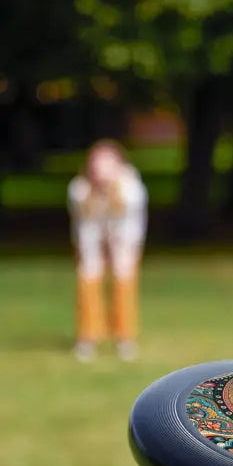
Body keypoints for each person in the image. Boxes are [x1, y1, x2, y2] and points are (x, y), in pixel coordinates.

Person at [67, 139, 148, 362]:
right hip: (91, 237)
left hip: (124, 237)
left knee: (124, 279)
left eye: (106, 163)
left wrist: (111, 191)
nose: (100, 169)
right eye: (96, 163)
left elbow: (127, 222)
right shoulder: (79, 189)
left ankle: (125, 337)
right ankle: (87, 337)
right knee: (88, 277)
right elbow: (85, 225)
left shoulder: (131, 188)